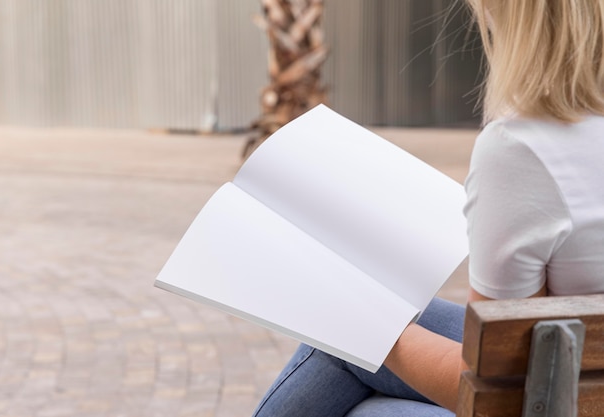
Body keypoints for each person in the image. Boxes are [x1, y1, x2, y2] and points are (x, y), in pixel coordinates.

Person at [251, 0, 604, 415]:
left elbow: (500, 385)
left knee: (355, 378)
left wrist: (367, 327)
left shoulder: (524, 147)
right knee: (379, 322)